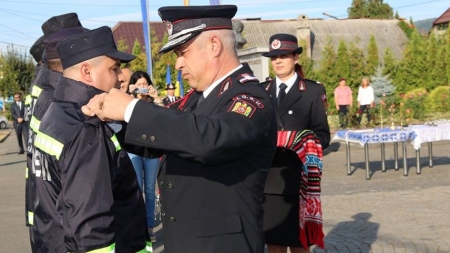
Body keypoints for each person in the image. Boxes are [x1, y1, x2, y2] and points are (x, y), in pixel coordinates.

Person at [82, 5, 277, 253]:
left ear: (214, 45)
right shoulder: (198, 98)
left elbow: (210, 138)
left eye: (182, 53)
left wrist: (132, 109)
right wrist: (112, 120)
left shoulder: (249, 96)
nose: (178, 64)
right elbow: (166, 137)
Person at [32, 26, 151, 252]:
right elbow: (91, 228)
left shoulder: (56, 111)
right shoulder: (86, 128)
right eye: (114, 68)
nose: (120, 78)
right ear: (87, 72)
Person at [261, 33, 330, 253]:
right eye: (274, 57)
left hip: (298, 179)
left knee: (299, 244)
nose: (278, 61)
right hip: (268, 178)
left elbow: (323, 135)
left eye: (283, 55)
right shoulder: (261, 92)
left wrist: (299, 140)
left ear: (296, 58)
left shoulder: (312, 91)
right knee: (274, 244)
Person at [125, 70, 164, 242]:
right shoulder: (128, 101)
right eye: (138, 85)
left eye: (144, 84)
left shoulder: (153, 102)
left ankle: (149, 227)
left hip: (151, 151)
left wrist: (156, 98)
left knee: (149, 189)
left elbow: (167, 119)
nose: (142, 88)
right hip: (133, 150)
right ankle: (137, 225)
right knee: (137, 189)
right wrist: (129, 94)